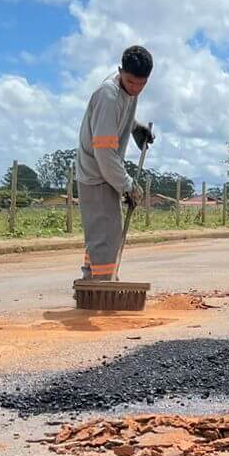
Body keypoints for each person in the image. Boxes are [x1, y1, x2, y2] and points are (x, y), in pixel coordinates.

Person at [76, 45, 154, 281]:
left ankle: (92, 285)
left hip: (105, 174)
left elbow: (118, 117)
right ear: (120, 71)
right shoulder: (107, 95)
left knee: (102, 235)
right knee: (106, 239)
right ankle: (102, 289)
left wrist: (135, 127)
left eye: (142, 84)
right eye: (131, 82)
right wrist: (128, 185)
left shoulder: (127, 92)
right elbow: (104, 154)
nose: (136, 89)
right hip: (97, 175)